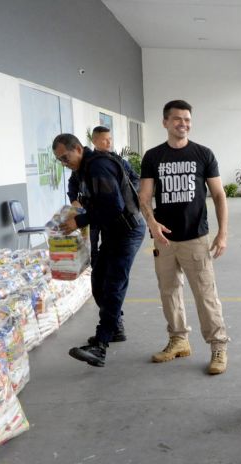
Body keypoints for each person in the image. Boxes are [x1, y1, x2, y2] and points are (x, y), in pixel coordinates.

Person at [139, 100, 230, 374]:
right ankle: (179, 340)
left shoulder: (203, 154)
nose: (183, 124)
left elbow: (218, 195)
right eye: (177, 119)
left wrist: (222, 233)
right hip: (164, 240)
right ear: (165, 122)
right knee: (169, 292)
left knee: (205, 295)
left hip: (195, 238)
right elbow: (144, 196)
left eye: (187, 119)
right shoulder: (153, 157)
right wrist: (152, 224)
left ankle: (218, 347)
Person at [53, 133, 146, 367]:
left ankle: (100, 346)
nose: (65, 163)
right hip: (112, 231)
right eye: (60, 161)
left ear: (78, 149)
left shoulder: (99, 167)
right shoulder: (82, 169)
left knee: (114, 283)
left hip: (127, 231)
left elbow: (114, 206)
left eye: (66, 157)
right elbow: (77, 190)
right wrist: (76, 207)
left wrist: (80, 221)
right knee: (98, 280)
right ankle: (113, 328)